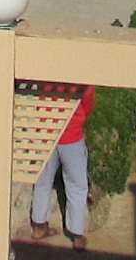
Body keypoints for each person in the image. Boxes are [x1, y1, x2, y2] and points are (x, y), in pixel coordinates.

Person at [31, 84, 95, 251]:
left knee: (42, 181)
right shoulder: (79, 76)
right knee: (77, 186)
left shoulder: (41, 73)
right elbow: (88, 101)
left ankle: (39, 226)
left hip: (45, 132)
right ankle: (77, 234)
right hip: (72, 135)